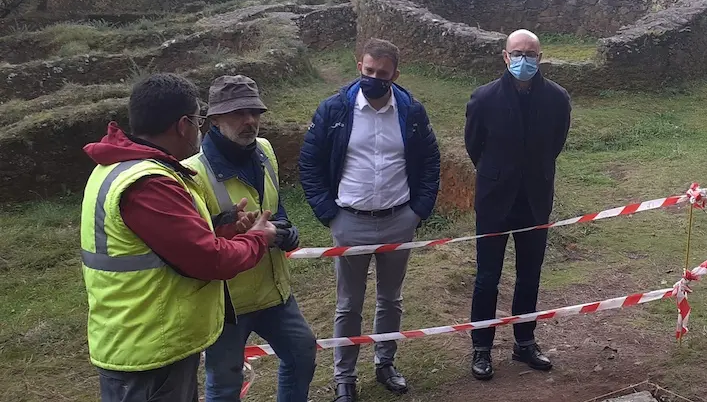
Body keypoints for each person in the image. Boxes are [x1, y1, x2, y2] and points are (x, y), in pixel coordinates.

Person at [80, 73, 277, 402]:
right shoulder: (149, 183)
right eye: (199, 120)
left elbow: (162, 245)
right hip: (150, 349)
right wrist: (258, 238)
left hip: (140, 339)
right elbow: (209, 260)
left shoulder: (121, 169)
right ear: (184, 123)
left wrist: (222, 227)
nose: (200, 130)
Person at [298, 38, 441, 402]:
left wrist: (419, 210)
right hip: (349, 220)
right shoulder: (334, 110)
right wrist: (327, 212)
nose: (374, 78)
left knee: (391, 299)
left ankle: (385, 363)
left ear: (395, 74)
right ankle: (344, 376)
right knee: (349, 303)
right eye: (368, 71)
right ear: (359, 66)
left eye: (382, 73)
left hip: (398, 218)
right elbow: (310, 163)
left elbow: (430, 161)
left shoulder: (411, 112)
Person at [185, 75, 317, 402]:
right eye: (238, 113)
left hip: (274, 290)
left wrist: (285, 230)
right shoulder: (191, 172)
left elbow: (275, 206)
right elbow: (195, 245)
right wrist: (230, 226)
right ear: (213, 119)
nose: (250, 121)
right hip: (227, 302)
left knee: (302, 354)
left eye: (255, 112)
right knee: (225, 384)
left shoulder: (265, 150)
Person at [464, 29, 572, 380]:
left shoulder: (557, 99)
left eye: (531, 54)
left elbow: (556, 143)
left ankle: (524, 342)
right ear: (505, 56)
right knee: (486, 279)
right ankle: (481, 348)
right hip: (495, 201)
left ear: (540, 57)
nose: (524, 59)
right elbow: (474, 147)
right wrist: (499, 174)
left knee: (529, 276)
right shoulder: (483, 99)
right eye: (518, 53)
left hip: (534, 200)